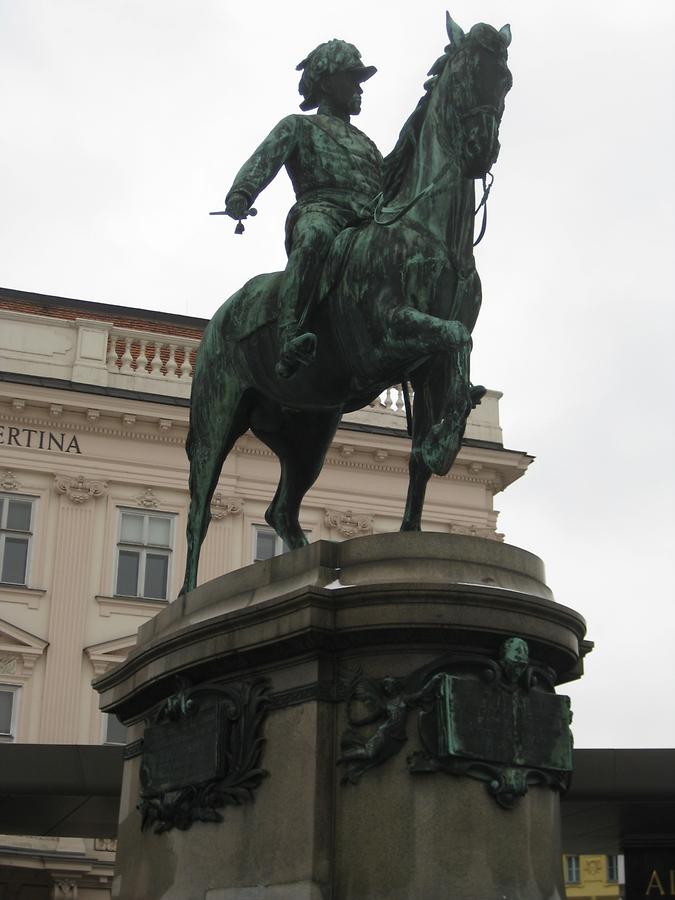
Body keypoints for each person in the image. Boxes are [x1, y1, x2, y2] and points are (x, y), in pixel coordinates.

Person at [224, 40, 383, 377]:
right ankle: (288, 335)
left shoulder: (368, 144)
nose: (359, 88)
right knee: (314, 236)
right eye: (352, 79)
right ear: (327, 83)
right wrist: (242, 191)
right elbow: (262, 161)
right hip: (322, 209)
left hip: (367, 220)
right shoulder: (299, 126)